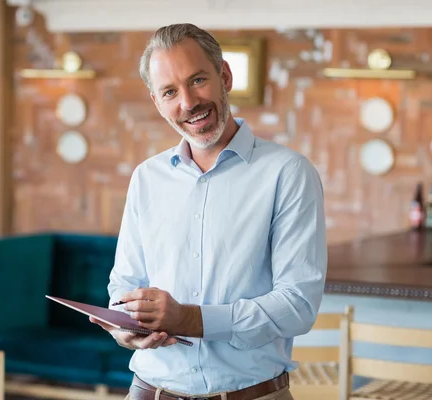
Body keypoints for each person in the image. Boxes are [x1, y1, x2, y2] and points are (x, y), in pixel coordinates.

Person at [90, 23, 327, 400]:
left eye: (197, 80)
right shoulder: (146, 178)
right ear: (157, 102)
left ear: (224, 76)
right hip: (149, 391)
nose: (188, 102)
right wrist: (124, 325)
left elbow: (297, 306)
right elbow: (124, 284)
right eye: (170, 91)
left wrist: (190, 319)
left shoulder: (288, 173)